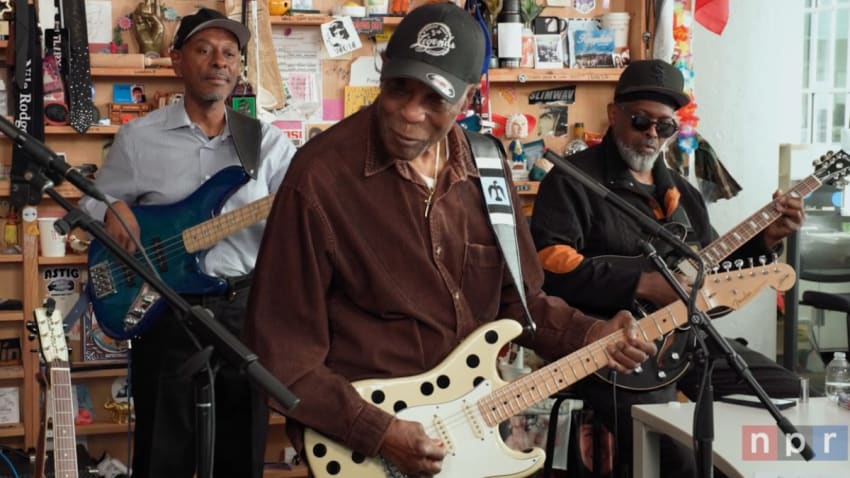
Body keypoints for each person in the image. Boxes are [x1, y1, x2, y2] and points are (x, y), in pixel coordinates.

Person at [244, 3, 656, 477]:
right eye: (398, 88)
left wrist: (591, 334)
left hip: (467, 437)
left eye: (435, 99)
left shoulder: (487, 167)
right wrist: (377, 431)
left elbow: (521, 304)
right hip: (364, 449)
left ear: (467, 98)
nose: (409, 113)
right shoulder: (319, 177)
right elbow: (281, 353)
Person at [530, 59, 806, 477]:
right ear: (614, 114)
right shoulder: (572, 181)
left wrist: (766, 239)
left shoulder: (684, 194)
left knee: (791, 396)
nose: (652, 135)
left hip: (688, 343)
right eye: (641, 121)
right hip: (613, 349)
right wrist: (642, 284)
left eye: (665, 126)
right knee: (676, 454)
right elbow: (549, 271)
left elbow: (709, 274)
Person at [78, 8, 296, 478]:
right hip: (164, 311)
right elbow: (92, 203)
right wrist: (114, 210)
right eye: (204, 50)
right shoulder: (138, 138)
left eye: (230, 53)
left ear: (238, 66)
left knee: (241, 453)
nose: (219, 62)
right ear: (177, 60)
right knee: (162, 455)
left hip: (242, 312)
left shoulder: (267, 143)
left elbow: (302, 217)